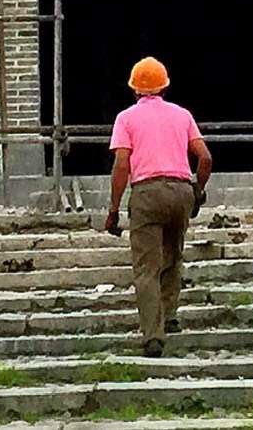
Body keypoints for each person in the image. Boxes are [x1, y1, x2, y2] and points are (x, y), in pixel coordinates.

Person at [105, 56, 212, 357]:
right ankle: (172, 315)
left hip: (147, 194)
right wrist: (197, 191)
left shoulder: (126, 119)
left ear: (134, 89)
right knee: (173, 256)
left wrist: (114, 210)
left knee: (146, 268)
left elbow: (122, 165)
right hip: (181, 191)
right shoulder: (182, 115)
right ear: (165, 86)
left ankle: (153, 336)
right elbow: (205, 158)